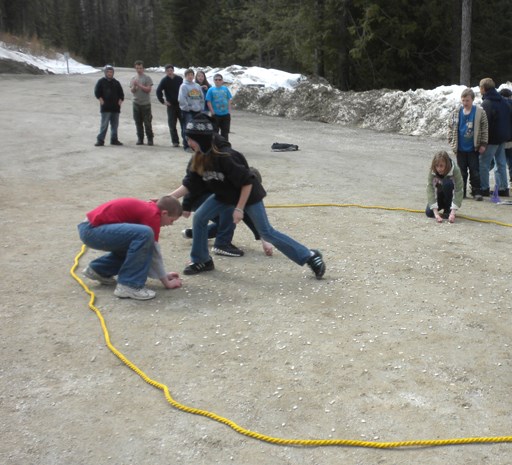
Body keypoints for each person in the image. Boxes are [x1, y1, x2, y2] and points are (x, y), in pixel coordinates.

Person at [168, 115, 326, 278]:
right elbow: (190, 183)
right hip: (225, 196)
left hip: (248, 195)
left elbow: (247, 182)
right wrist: (168, 198)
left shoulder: (226, 156)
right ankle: (202, 260)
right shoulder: (199, 157)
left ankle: (309, 256)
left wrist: (239, 209)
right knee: (200, 217)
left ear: (201, 138)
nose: (188, 143)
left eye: (190, 139)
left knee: (266, 232)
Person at [181, 134, 274, 257]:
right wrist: (185, 205)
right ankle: (222, 244)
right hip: (199, 199)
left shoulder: (234, 178)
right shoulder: (227, 172)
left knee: (226, 221)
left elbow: (248, 215)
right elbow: (191, 185)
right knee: (229, 210)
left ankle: (193, 233)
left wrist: (264, 239)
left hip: (209, 199)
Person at [78, 195, 183, 300]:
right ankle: (129, 285)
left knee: (139, 244)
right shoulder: (153, 215)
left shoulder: (151, 209)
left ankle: (99, 270)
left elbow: (144, 252)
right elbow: (154, 254)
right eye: (171, 220)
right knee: (145, 234)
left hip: (90, 229)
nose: (171, 224)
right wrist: (166, 282)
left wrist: (163, 274)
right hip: (92, 230)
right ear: (164, 213)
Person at [448, 88, 488, 201]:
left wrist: (483, 144)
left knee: (475, 171)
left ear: (472, 100)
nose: (465, 103)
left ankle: (476, 191)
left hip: (473, 148)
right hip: (460, 149)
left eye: (467, 100)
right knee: (461, 172)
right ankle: (461, 191)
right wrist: (451, 141)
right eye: (463, 100)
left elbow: (485, 129)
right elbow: (450, 128)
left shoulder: (480, 112)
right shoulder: (456, 113)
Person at [479, 78, 511, 196]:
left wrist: (482, 140)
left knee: (483, 163)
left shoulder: (487, 103)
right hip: (503, 137)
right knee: (501, 162)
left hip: (491, 138)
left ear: (483, 88)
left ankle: (484, 188)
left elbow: (484, 123)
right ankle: (503, 188)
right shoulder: (503, 101)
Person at [426, 150, 464, 223]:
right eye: (437, 166)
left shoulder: (455, 170)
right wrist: (436, 214)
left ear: (446, 164)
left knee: (447, 183)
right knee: (429, 213)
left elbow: (459, 190)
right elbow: (430, 190)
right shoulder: (432, 171)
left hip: (450, 195)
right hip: (439, 194)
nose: (439, 169)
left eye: (441, 166)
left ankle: (448, 209)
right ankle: (440, 206)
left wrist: (453, 213)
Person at [94, 64, 124, 147]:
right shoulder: (101, 82)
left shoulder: (116, 83)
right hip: (105, 108)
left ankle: (114, 139)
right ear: (105, 73)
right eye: (108, 72)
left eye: (111, 72)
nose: (109, 73)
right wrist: (101, 100)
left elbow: (121, 94)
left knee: (115, 125)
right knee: (104, 125)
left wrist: (120, 101)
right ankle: (100, 140)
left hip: (115, 108)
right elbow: (97, 92)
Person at [156, 64, 184, 148]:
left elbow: (185, 89)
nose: (169, 72)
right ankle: (175, 141)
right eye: (168, 71)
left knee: (184, 124)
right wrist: (163, 101)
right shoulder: (164, 80)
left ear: (173, 70)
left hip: (180, 105)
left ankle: (186, 141)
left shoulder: (179, 79)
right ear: (165, 72)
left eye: (171, 70)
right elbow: (158, 91)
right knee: (172, 124)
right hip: (171, 105)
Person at [178, 69, 205, 152]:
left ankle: (195, 145)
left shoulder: (197, 86)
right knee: (187, 128)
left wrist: (201, 107)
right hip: (187, 111)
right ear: (185, 76)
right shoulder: (183, 86)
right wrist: (187, 108)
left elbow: (201, 97)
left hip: (197, 111)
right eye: (188, 75)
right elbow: (182, 99)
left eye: (191, 75)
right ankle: (186, 145)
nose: (190, 76)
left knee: (196, 128)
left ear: (193, 76)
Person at [130, 60, 154, 146]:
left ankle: (150, 139)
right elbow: (132, 91)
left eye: (140, 68)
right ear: (135, 68)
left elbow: (148, 90)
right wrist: (134, 87)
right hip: (136, 103)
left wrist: (139, 85)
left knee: (147, 123)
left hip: (145, 104)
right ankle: (140, 138)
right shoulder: (133, 78)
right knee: (138, 122)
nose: (139, 70)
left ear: (143, 68)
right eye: (137, 68)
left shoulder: (147, 78)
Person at [206, 73, 233, 141]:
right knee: (215, 132)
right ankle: (216, 146)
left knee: (225, 132)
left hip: (225, 114)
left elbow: (230, 98)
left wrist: (229, 111)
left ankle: (225, 146)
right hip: (216, 114)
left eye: (219, 79)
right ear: (214, 81)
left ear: (222, 81)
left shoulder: (225, 89)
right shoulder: (211, 90)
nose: (218, 81)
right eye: (216, 79)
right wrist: (212, 112)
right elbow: (208, 101)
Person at [499, 88, 512, 185]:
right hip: (511, 139)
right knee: (510, 161)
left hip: (501, 139)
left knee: (499, 163)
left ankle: (501, 185)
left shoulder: (500, 107)